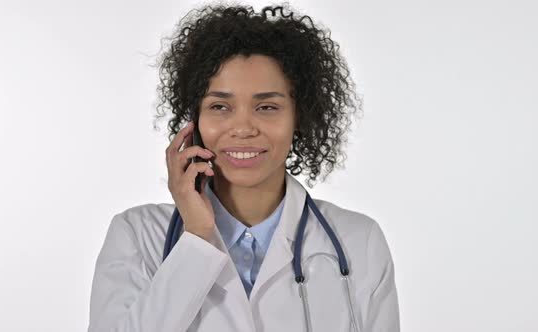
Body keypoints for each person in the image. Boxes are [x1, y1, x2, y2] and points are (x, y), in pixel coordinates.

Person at [87, 3, 399, 332]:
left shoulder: (358, 243)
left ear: (299, 117)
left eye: (267, 106)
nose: (243, 128)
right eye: (220, 106)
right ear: (195, 121)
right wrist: (195, 238)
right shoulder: (138, 235)